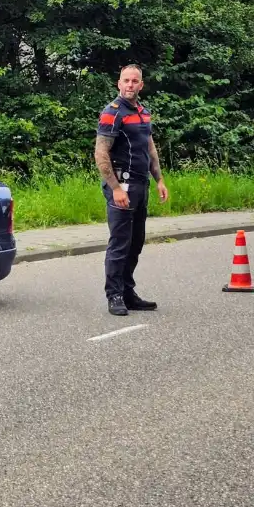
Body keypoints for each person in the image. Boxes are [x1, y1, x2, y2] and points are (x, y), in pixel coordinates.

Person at [94, 64, 169, 317]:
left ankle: (128, 292)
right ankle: (113, 295)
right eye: (125, 80)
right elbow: (101, 153)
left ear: (141, 85)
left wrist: (159, 179)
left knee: (135, 243)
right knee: (120, 244)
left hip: (141, 185)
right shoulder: (112, 113)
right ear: (119, 83)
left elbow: (150, 149)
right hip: (121, 186)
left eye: (134, 81)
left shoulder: (143, 113)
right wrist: (115, 188)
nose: (129, 85)